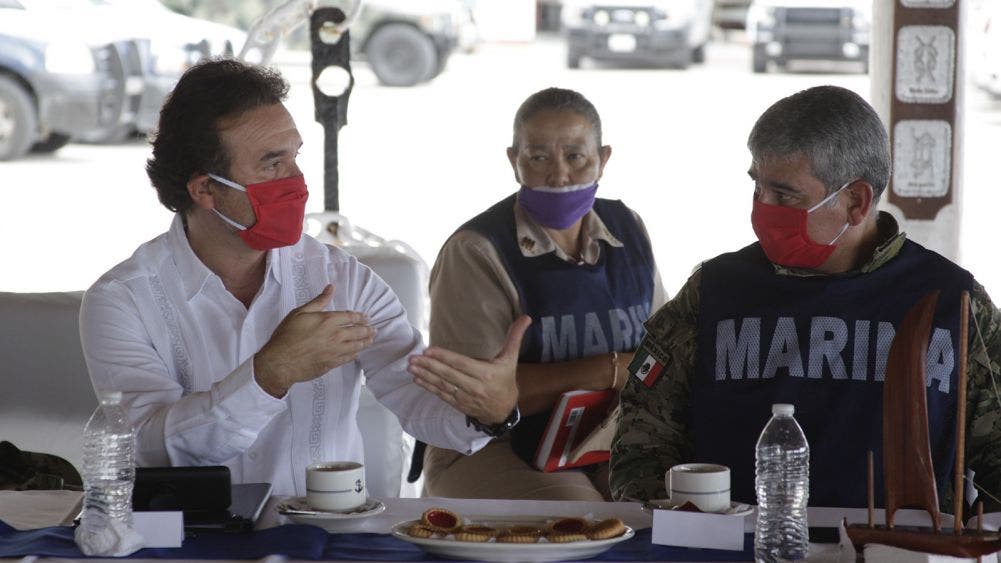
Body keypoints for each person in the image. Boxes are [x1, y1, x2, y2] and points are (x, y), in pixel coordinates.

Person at [79, 59, 528, 497]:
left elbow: (415, 397)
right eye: (272, 164)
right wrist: (269, 375)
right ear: (205, 189)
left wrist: (488, 411)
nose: (297, 180)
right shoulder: (123, 300)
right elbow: (152, 448)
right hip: (192, 533)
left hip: (327, 529)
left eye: (295, 156)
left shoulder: (344, 281)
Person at [609, 85, 1001, 513]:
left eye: (784, 195)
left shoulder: (951, 302)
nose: (763, 208)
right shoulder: (715, 291)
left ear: (855, 201)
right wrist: (675, 525)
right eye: (758, 188)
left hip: (899, 544)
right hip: (735, 539)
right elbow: (644, 435)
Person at [421, 87, 667, 501]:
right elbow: (477, 395)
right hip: (490, 443)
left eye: (575, 156)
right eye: (538, 158)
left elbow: (660, 355)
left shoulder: (629, 229)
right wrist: (607, 371)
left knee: (671, 502)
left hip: (601, 437)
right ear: (513, 162)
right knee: (582, 518)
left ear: (603, 159)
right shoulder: (477, 250)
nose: (558, 175)